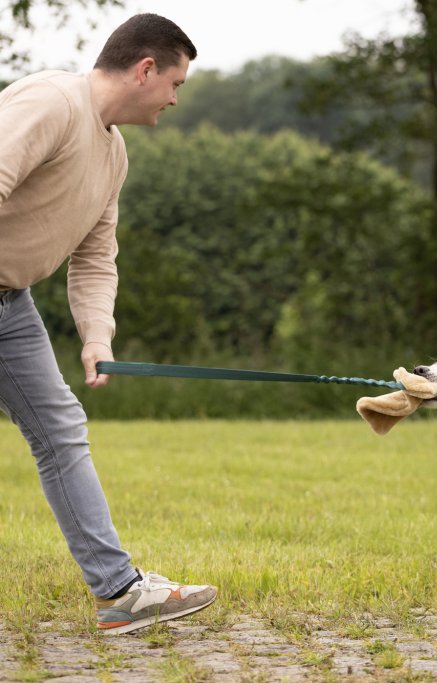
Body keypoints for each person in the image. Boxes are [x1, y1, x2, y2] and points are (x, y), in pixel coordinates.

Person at [0, 13, 216, 635]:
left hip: (10, 306)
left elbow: (96, 257)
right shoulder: (51, 103)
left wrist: (98, 337)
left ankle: (121, 594)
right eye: (175, 81)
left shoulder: (113, 152)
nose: (177, 97)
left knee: (61, 430)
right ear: (145, 69)